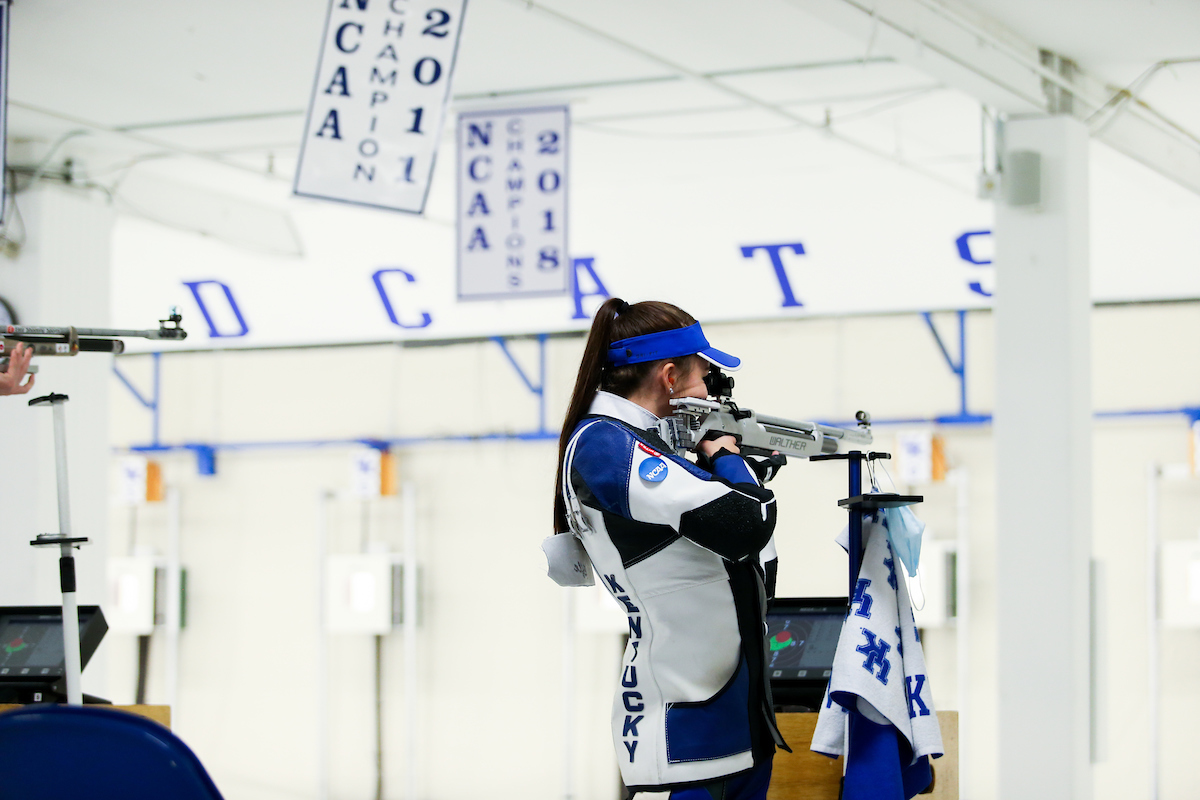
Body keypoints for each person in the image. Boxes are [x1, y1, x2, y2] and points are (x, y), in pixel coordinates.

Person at [553, 297, 788, 800]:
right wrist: (725, 456)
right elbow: (749, 521)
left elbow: (753, 565)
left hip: (729, 726)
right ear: (669, 377)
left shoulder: (646, 442)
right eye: (704, 376)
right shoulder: (605, 444)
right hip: (683, 735)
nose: (710, 392)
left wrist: (729, 467)